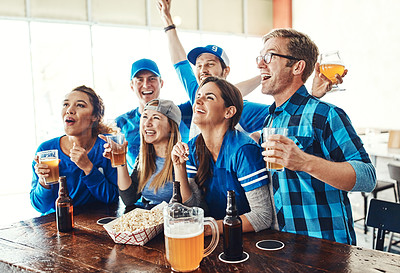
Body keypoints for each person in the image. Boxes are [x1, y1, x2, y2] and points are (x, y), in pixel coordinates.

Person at [156, 0, 346, 136]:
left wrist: (311, 96)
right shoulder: (197, 95)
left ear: (226, 71)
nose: (203, 69)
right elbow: (180, 63)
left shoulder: (243, 110)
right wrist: (167, 21)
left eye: (210, 64)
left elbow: (287, 115)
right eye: (198, 65)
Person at [257, 28, 376, 245]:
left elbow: (368, 177)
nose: (260, 64)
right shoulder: (271, 120)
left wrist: (303, 162)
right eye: (260, 57)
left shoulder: (326, 114)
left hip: (326, 249)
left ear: (297, 66)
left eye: (269, 57)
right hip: (285, 246)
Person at [172, 77, 273, 233]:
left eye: (209, 97)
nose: (198, 101)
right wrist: (179, 167)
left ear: (229, 111)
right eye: (198, 96)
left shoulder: (244, 150)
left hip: (247, 238)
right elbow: (193, 206)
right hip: (216, 236)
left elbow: (262, 216)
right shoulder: (192, 148)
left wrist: (208, 228)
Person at [31, 85, 119, 215]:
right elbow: (40, 207)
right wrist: (43, 182)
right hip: (57, 224)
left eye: (80, 105)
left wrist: (88, 168)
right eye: (65, 104)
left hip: (96, 222)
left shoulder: (107, 146)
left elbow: (111, 198)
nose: (69, 110)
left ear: (95, 116)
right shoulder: (46, 150)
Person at [104, 99, 201, 208]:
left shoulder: (183, 156)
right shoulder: (145, 158)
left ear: (171, 126)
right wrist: (121, 161)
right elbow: (129, 198)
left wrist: (179, 166)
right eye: (144, 117)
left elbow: (189, 205)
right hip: (150, 220)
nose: (147, 123)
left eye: (156, 117)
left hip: (173, 221)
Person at [116, 58, 192, 173]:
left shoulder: (180, 114)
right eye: (140, 80)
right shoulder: (121, 123)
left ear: (161, 83)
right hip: (137, 188)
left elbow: (199, 92)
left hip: (179, 186)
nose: (146, 85)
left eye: (152, 79)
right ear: (132, 85)